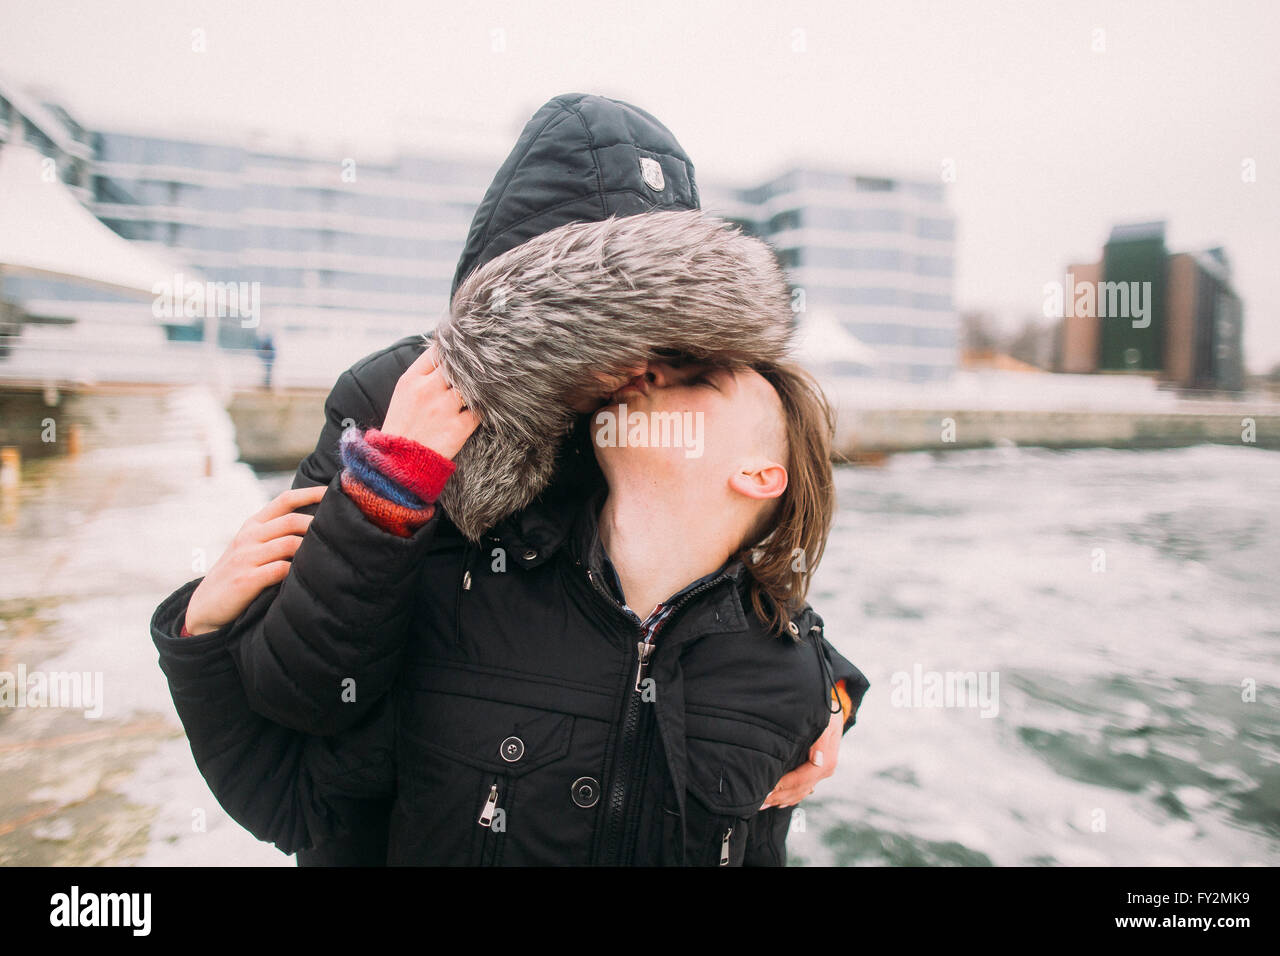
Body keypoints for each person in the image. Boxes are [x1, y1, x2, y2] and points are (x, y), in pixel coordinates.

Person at [151, 210, 869, 865]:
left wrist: (829, 692)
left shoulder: (792, 678)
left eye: (698, 381)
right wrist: (200, 637)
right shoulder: (465, 615)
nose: (647, 374)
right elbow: (291, 795)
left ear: (759, 476)